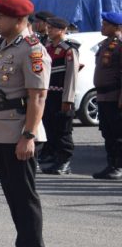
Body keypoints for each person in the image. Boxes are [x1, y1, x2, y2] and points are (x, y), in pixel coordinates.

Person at [0, 0, 50, 247]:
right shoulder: (5, 46)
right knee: (13, 198)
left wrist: (29, 135)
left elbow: (38, 96)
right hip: (2, 131)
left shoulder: (33, 50)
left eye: (1, 16)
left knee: (25, 198)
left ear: (19, 19)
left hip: (21, 132)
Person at [39, 16, 79, 175]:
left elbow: (71, 76)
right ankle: (55, 158)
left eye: (52, 28)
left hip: (61, 95)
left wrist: (67, 99)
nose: (48, 30)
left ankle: (64, 161)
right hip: (48, 95)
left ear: (62, 30)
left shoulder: (68, 49)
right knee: (51, 128)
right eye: (48, 27)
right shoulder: (48, 47)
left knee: (63, 131)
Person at [91, 12, 122, 180]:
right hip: (103, 97)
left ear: (116, 27)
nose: (102, 27)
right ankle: (112, 165)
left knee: (118, 134)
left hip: (114, 96)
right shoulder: (105, 44)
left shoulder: (120, 44)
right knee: (107, 133)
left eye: (105, 24)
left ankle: (119, 166)